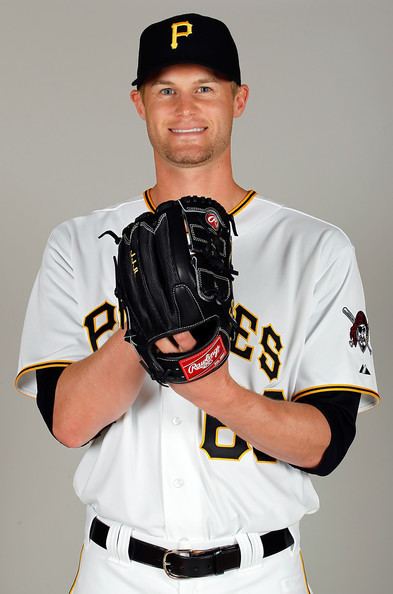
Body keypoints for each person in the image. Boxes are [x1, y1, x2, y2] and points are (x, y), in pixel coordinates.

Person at [16, 13, 380, 594]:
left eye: (205, 87)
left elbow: (327, 444)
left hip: (261, 574)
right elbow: (67, 423)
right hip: (118, 572)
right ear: (139, 103)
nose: (185, 109)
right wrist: (144, 324)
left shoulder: (315, 247)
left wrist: (213, 388)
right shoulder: (79, 243)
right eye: (166, 90)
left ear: (239, 99)